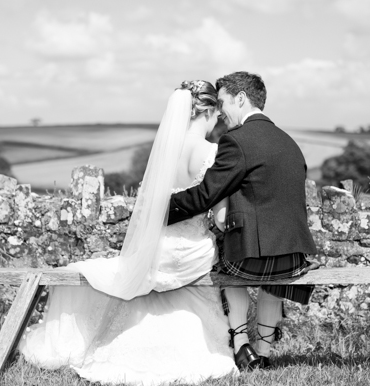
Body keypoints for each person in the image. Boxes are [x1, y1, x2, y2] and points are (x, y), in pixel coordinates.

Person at [18, 80, 238, 385]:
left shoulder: (164, 153)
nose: (217, 121)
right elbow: (222, 217)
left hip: (155, 251)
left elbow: (150, 207)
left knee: (124, 277)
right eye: (216, 114)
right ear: (209, 110)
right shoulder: (213, 153)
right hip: (192, 254)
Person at [168, 71, 319, 370]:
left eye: (223, 102)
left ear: (240, 98)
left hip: (249, 261)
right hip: (294, 259)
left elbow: (205, 195)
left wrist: (163, 210)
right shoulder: (289, 142)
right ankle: (263, 351)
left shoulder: (236, 141)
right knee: (272, 277)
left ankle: (240, 343)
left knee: (222, 255)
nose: (221, 111)